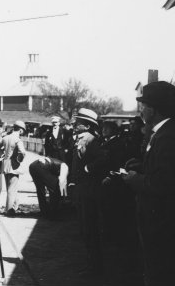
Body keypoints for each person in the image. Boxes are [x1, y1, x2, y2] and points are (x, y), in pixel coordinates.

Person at [122, 81, 175, 286]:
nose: (141, 110)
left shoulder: (168, 136)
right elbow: (165, 169)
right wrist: (142, 166)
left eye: (144, 105)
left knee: (161, 273)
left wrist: (135, 179)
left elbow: (164, 183)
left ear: (154, 108)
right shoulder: (164, 132)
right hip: (159, 220)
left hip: (163, 223)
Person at [70, 108, 107, 275]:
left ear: (86, 125)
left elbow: (103, 158)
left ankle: (95, 266)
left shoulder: (91, 140)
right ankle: (92, 264)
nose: (75, 124)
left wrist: (87, 168)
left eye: (78, 122)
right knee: (84, 227)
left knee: (89, 227)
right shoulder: (82, 138)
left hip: (88, 189)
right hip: (81, 187)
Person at [1, 120, 27, 216]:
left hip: (5, 165)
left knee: (10, 187)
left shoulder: (5, 138)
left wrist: (2, 155)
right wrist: (19, 159)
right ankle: (9, 210)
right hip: (14, 166)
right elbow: (23, 152)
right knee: (12, 189)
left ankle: (14, 206)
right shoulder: (17, 140)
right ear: (20, 130)